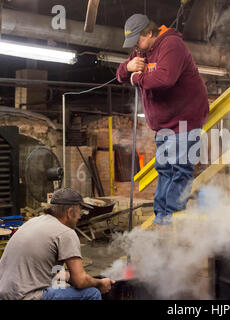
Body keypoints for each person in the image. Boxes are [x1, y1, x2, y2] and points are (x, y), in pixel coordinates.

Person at [116, 14, 209, 226]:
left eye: (137, 41)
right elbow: (121, 73)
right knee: (165, 170)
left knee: (180, 171)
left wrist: (136, 77)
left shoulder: (172, 44)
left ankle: (172, 221)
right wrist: (127, 69)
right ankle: (162, 219)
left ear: (149, 33)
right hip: (164, 126)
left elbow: (165, 79)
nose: (135, 48)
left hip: (185, 121)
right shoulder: (143, 50)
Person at [0, 188, 114, 300]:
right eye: (80, 211)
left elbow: (54, 271)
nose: (80, 216)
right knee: (91, 293)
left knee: (60, 285)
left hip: (5, 293)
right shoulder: (65, 233)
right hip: (27, 296)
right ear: (70, 212)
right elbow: (80, 281)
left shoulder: (34, 222)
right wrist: (99, 283)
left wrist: (72, 277)